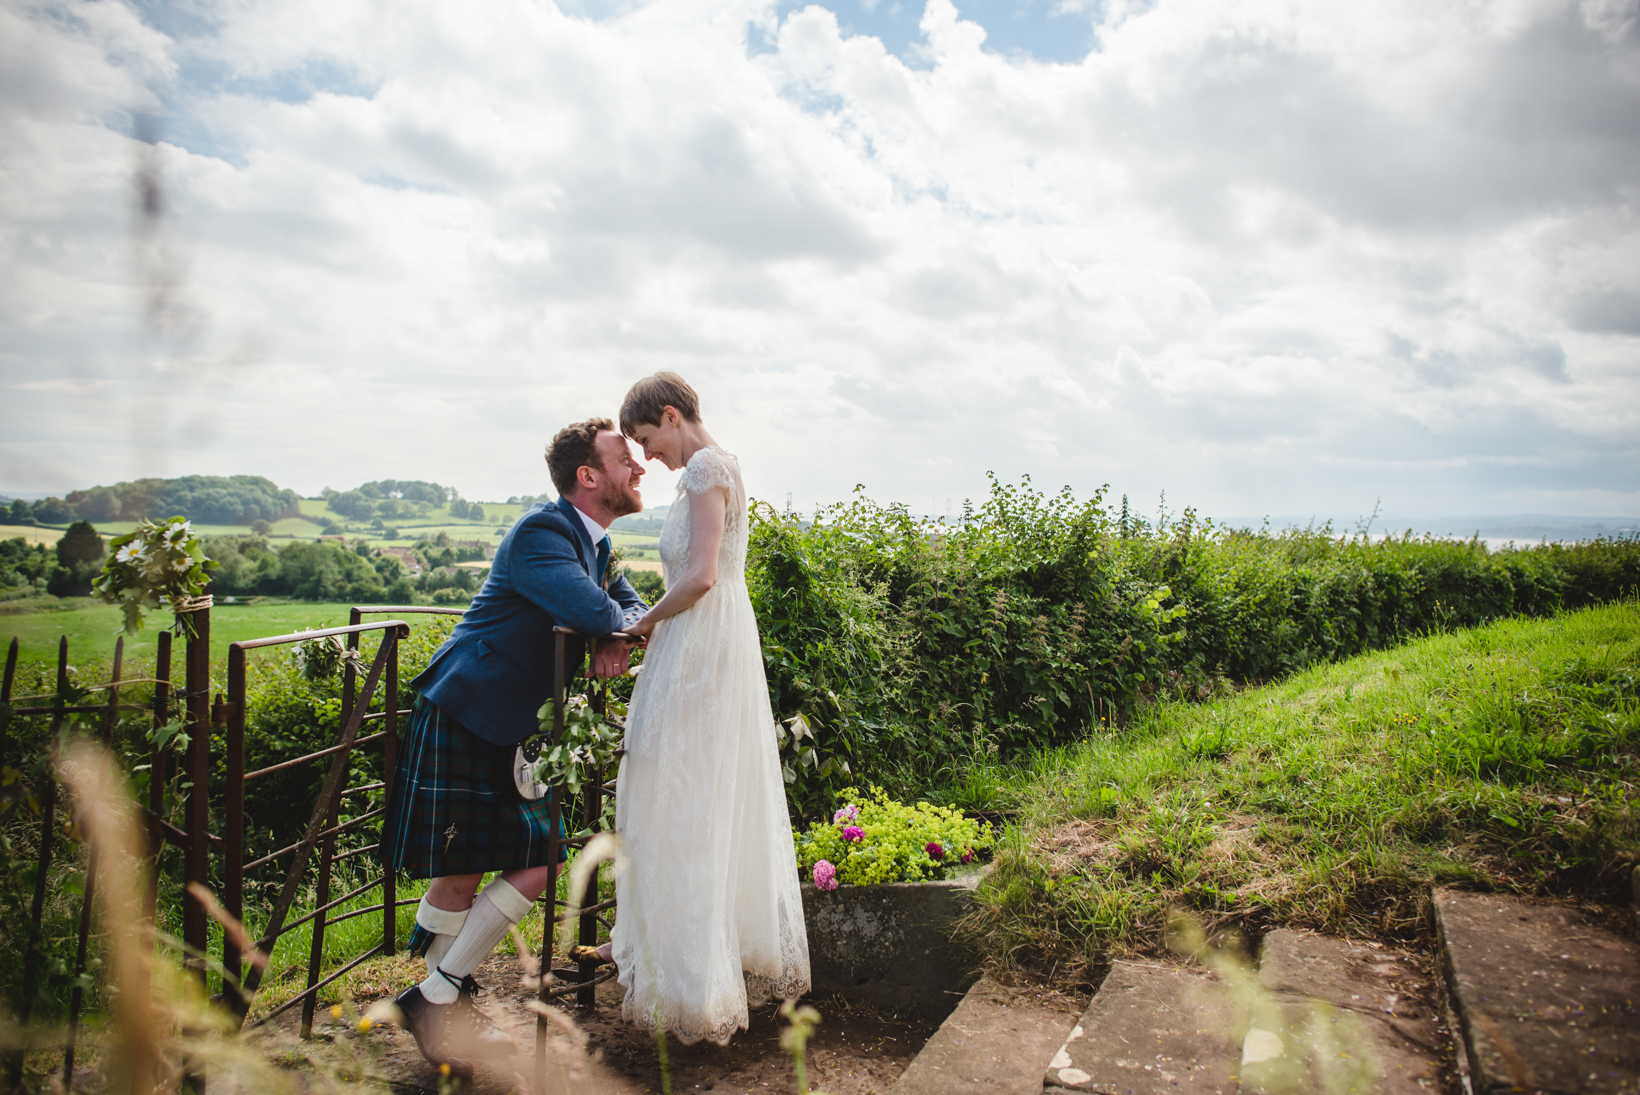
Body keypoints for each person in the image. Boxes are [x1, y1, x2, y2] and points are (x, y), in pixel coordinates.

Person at [385, 418, 649, 1077]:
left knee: (536, 860)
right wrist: (607, 629)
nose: (639, 467)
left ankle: (436, 995)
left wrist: (615, 629)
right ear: (588, 476)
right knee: (462, 872)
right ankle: (446, 1005)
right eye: (625, 458)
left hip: (507, 722)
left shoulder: (595, 544)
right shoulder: (544, 533)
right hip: (468, 708)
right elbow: (597, 611)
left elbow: (629, 604)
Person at [604, 371, 811, 1045]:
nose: (647, 455)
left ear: (670, 415)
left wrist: (643, 624)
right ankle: (685, 965)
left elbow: (700, 576)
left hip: (701, 644)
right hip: (701, 639)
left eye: (645, 438)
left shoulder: (706, 468)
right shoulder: (708, 468)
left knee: (684, 794)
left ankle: (693, 981)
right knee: (687, 791)